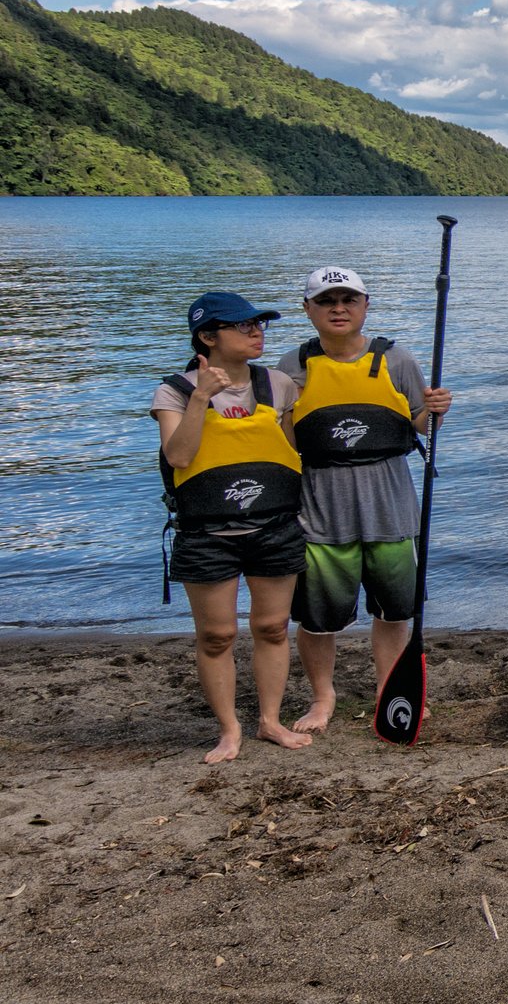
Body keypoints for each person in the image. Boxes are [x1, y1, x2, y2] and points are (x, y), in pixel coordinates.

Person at [272, 266, 451, 733]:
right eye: (327, 301)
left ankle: (387, 687)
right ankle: (322, 698)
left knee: (395, 609)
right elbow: (281, 443)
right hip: (320, 507)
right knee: (318, 618)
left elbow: (419, 426)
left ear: (365, 305)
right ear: (307, 309)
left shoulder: (398, 361)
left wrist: (436, 413)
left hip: (388, 503)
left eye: (349, 300)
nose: (338, 309)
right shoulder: (290, 369)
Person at [150, 292, 309, 762]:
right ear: (207, 336)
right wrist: (202, 396)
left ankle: (270, 722)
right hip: (207, 534)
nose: (257, 331)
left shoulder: (279, 385)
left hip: (275, 527)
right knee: (217, 635)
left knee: (273, 626)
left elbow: (291, 453)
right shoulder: (175, 392)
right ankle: (229, 730)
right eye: (243, 326)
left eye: (259, 324)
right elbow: (178, 456)